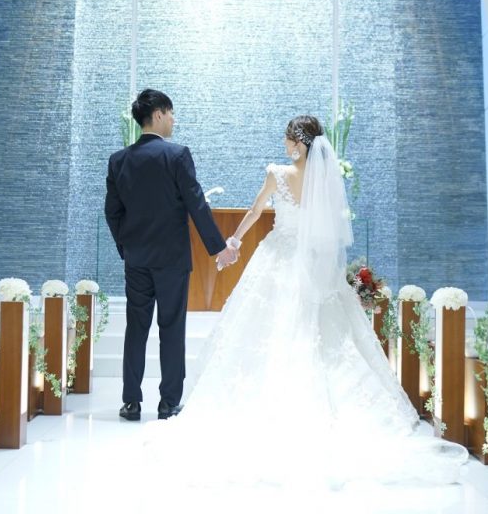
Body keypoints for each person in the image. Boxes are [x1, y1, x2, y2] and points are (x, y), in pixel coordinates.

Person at [134, 114, 468, 492]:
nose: (283, 143)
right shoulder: (325, 180)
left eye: (286, 138)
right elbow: (330, 228)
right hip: (313, 263)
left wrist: (234, 242)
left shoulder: (278, 174)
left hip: (277, 258)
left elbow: (256, 211)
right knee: (330, 336)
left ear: (297, 143)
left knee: (265, 328)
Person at [104, 88, 238, 422]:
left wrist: (126, 248)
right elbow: (196, 204)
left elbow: (112, 212)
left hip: (136, 259)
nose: (174, 120)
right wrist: (218, 249)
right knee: (172, 328)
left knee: (136, 327)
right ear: (159, 114)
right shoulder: (177, 155)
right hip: (172, 259)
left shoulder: (119, 160)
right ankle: (168, 403)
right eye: (171, 113)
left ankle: (131, 402)